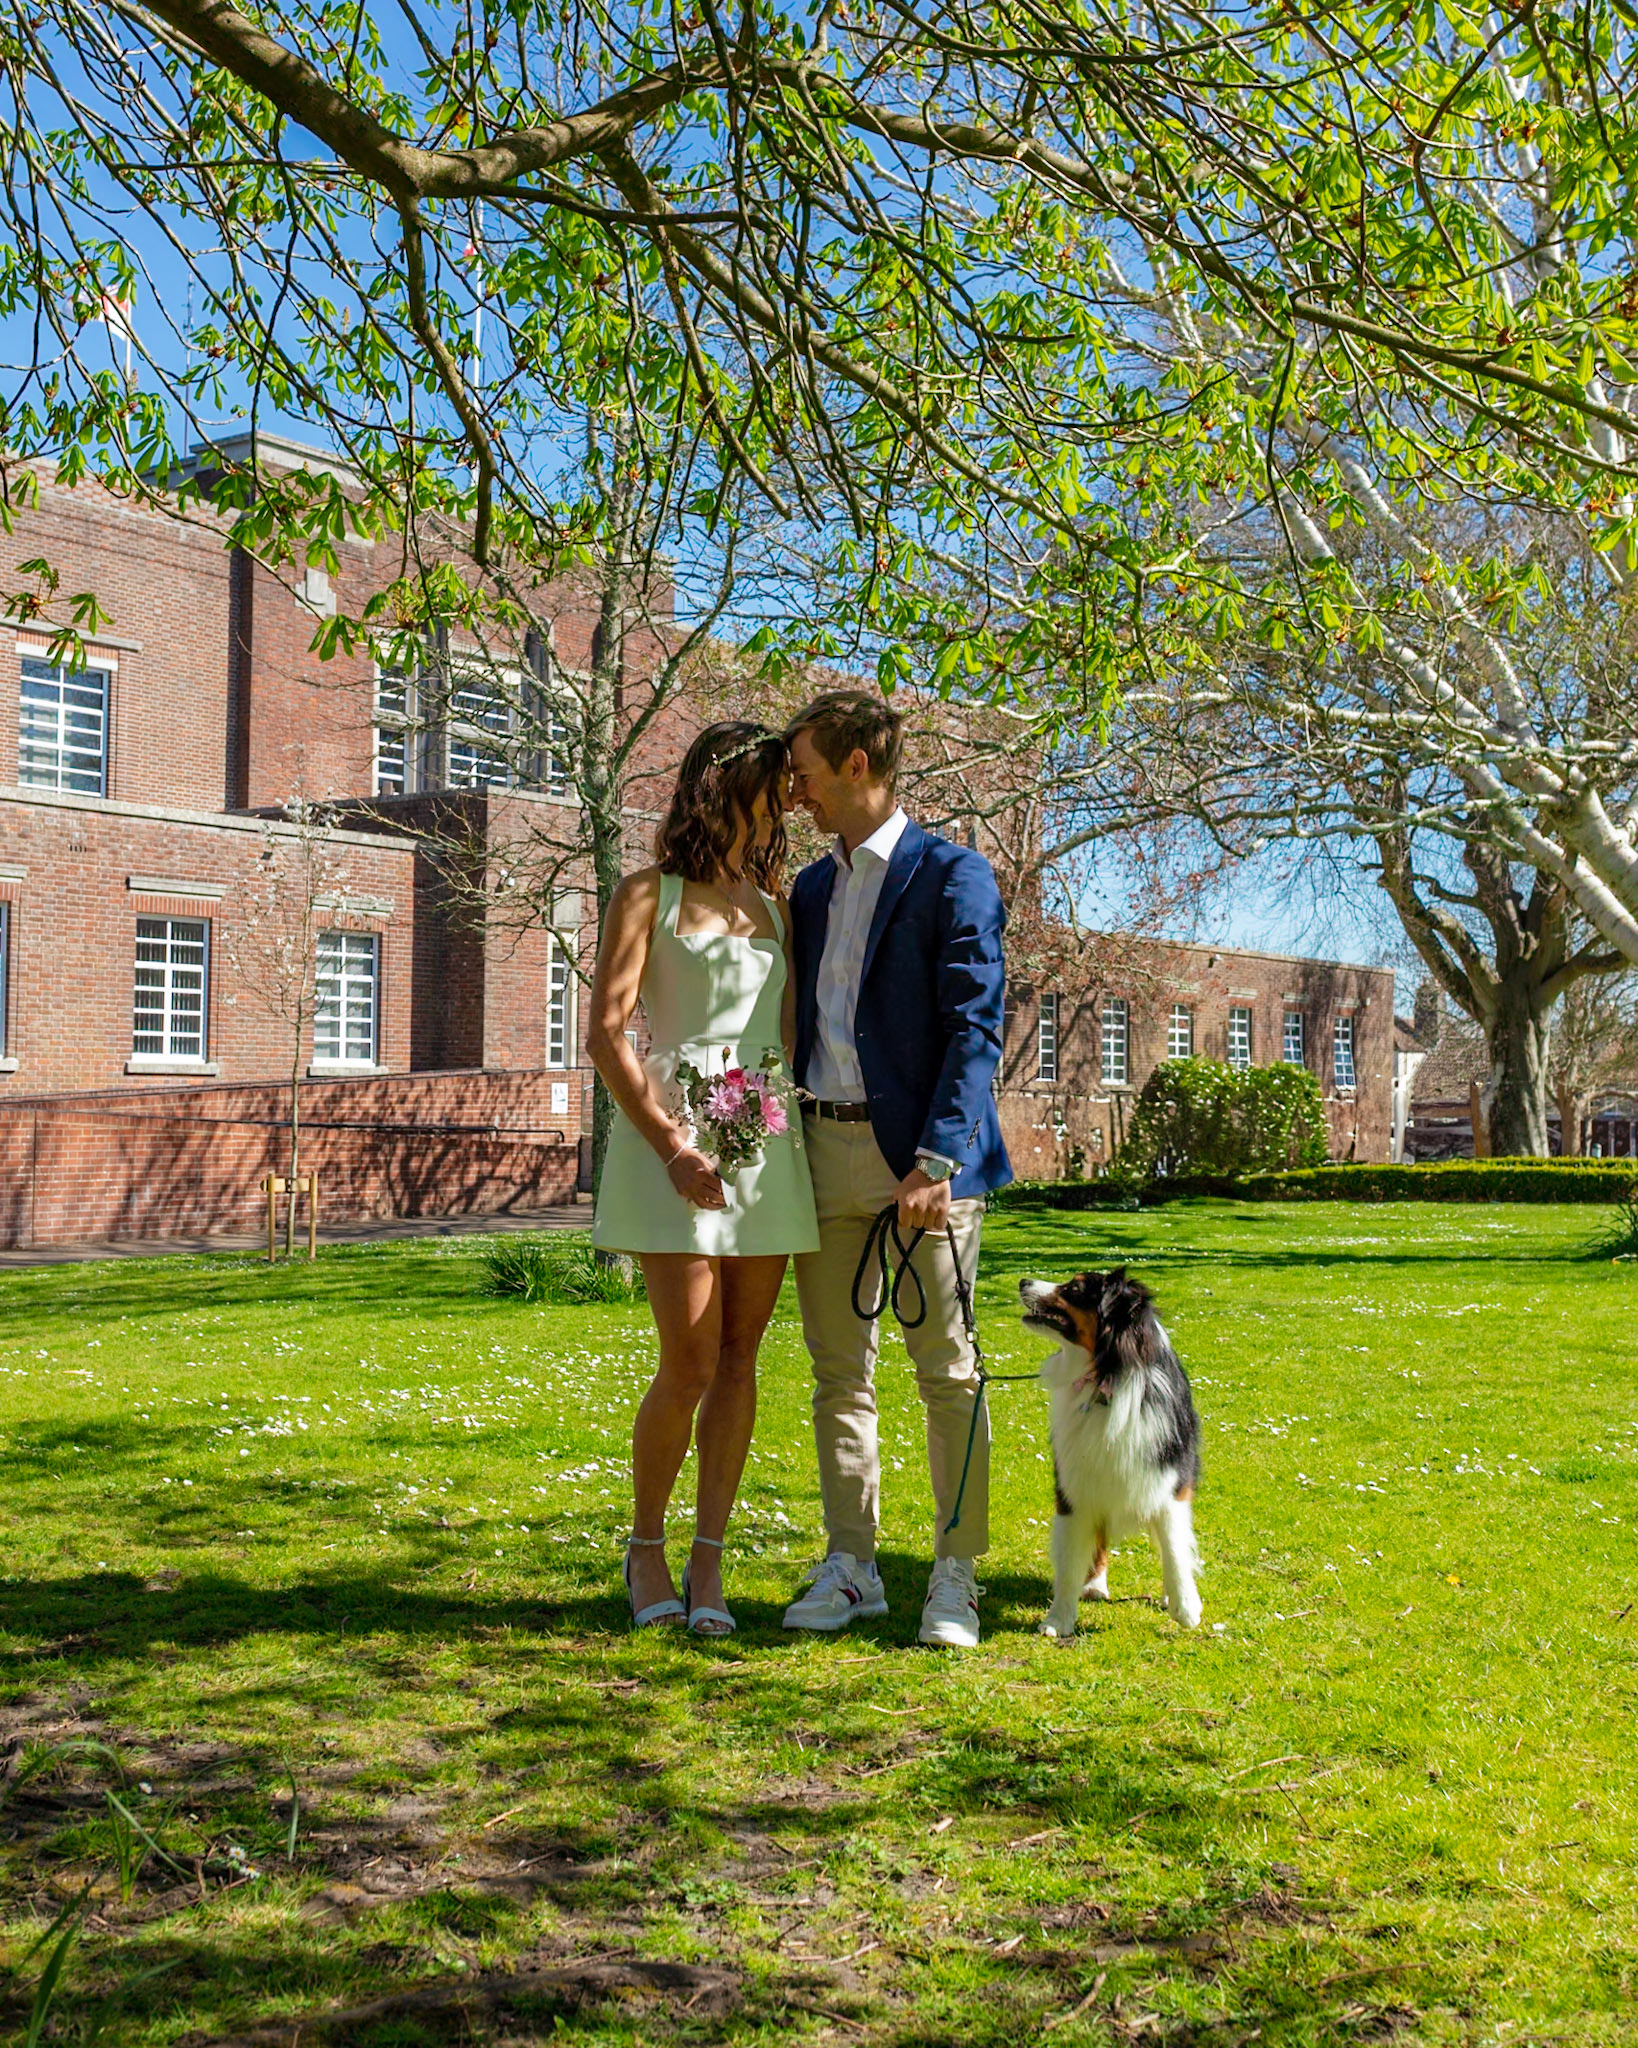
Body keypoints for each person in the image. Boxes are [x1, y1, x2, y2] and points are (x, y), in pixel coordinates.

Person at [780, 689, 1011, 1648]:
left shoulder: (954, 877)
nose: (796, 793)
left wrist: (936, 1158)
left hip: (924, 1164)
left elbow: (974, 1028)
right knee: (841, 1373)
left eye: (805, 773)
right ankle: (854, 1567)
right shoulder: (808, 889)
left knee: (947, 1370)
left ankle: (953, 1578)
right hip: (822, 1152)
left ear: (857, 768)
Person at [588, 723, 819, 1635]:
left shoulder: (778, 908)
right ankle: (645, 1550)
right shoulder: (645, 894)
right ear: (719, 792)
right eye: (769, 792)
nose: (780, 810)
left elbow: (790, 1035)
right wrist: (672, 1142)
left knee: (740, 1358)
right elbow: (609, 1034)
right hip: (670, 1144)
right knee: (686, 1362)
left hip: (766, 1145)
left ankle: (709, 1563)